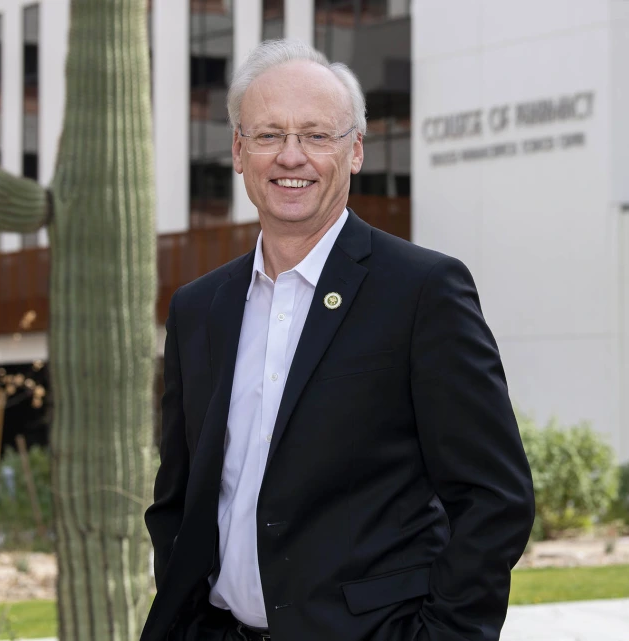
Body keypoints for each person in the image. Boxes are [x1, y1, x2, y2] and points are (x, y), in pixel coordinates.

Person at [139, 39, 534, 641]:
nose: (291, 156)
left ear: (355, 152)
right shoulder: (198, 309)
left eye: (317, 136)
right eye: (269, 135)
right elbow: (180, 501)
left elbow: (494, 498)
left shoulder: (422, 290)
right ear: (239, 152)